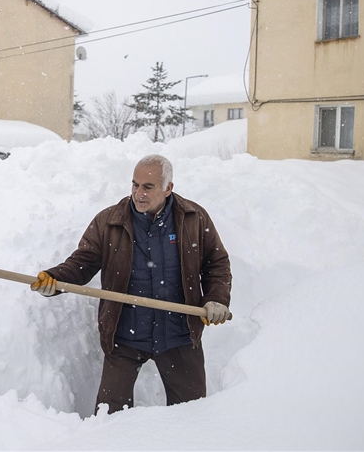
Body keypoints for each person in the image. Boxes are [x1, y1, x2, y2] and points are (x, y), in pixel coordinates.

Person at [30, 154, 231, 414]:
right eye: (135, 185)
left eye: (148, 187)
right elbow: (83, 262)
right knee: (109, 419)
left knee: (192, 416)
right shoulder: (110, 221)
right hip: (125, 335)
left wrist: (216, 298)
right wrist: (55, 280)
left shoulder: (193, 218)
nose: (139, 193)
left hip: (179, 335)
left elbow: (217, 263)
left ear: (169, 188)